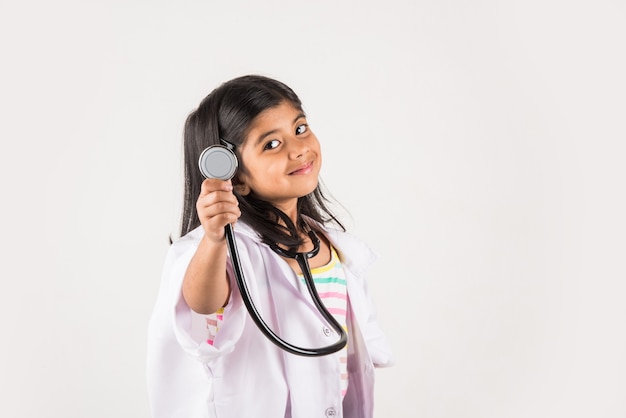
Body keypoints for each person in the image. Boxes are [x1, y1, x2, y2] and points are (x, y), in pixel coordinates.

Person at [147, 75, 393, 418]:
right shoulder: (223, 248)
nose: (298, 148)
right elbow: (201, 305)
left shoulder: (331, 246)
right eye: (271, 145)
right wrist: (215, 238)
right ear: (236, 176)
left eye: (301, 128)